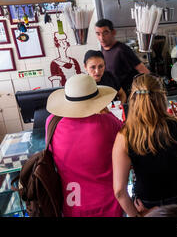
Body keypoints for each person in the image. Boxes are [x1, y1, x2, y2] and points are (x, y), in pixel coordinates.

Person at [112, 74, 177, 217]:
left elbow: (119, 191)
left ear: (133, 99)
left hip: (148, 202)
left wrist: (136, 216)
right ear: (162, 98)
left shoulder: (124, 136)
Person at [45, 74, 123, 217]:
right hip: (108, 204)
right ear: (97, 100)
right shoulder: (108, 122)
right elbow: (125, 138)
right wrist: (108, 113)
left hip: (73, 203)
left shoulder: (51, 122)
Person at [95, 19, 150, 95]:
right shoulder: (103, 51)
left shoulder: (122, 50)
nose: (102, 38)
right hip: (116, 97)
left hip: (130, 97)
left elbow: (143, 70)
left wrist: (149, 92)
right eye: (98, 34)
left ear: (113, 32)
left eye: (105, 33)